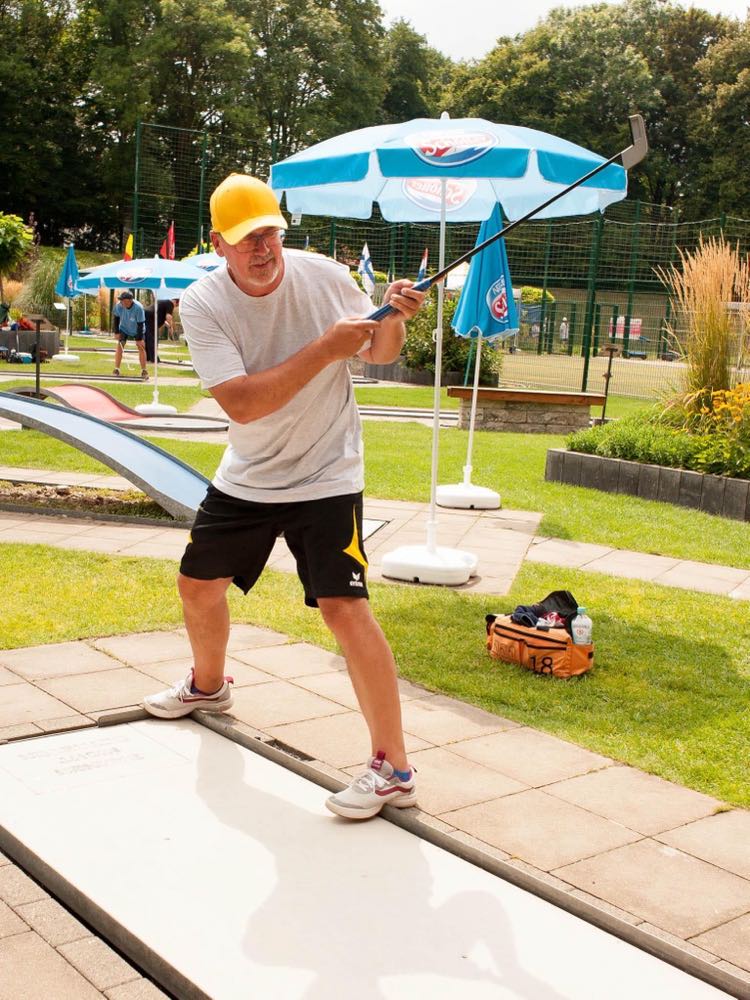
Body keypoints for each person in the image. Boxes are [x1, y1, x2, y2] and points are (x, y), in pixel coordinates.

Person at [143, 173, 426, 820]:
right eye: (248, 239)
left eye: (270, 232)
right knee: (197, 585)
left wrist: (392, 315)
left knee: (343, 607)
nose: (264, 248)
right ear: (219, 243)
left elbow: (378, 353)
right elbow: (243, 405)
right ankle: (209, 688)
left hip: (329, 470)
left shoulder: (325, 276)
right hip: (250, 472)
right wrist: (324, 349)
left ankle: (393, 768)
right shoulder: (203, 304)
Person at [112, 291, 148, 378]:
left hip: (137, 329)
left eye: (124, 301)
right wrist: (116, 332)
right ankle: (116, 369)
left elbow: (140, 323)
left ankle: (144, 370)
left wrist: (139, 339)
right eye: (121, 300)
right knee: (120, 346)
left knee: (141, 347)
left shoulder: (138, 308)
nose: (122, 302)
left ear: (130, 300)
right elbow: (116, 318)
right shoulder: (119, 306)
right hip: (124, 328)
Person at [144, 296, 179, 363]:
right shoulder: (170, 303)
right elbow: (168, 317)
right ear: (175, 302)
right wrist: (171, 328)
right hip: (151, 319)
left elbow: (162, 317)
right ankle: (154, 359)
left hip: (147, 316)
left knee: (148, 338)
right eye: (177, 305)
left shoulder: (162, 302)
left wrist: (168, 325)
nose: (175, 307)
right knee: (153, 339)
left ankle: (148, 358)